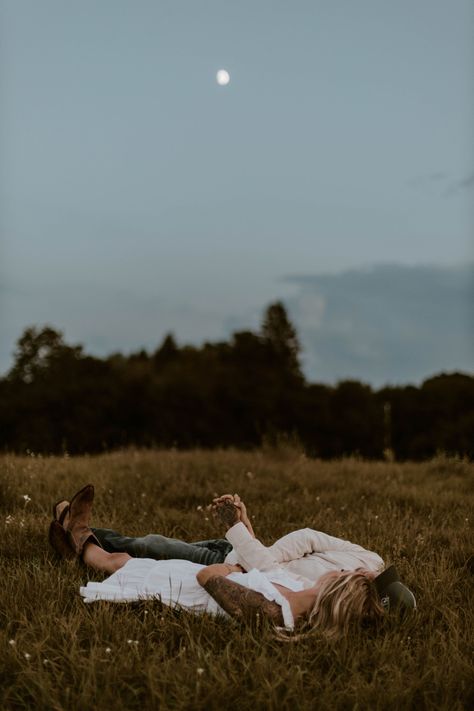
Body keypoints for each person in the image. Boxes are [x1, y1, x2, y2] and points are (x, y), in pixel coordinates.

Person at [50, 485, 388, 637]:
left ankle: (75, 533)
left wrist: (233, 567)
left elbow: (211, 577)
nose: (336, 573)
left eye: (339, 577)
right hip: (224, 563)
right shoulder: (300, 587)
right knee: (134, 552)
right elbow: (268, 567)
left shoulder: (277, 613)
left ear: (334, 591)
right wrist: (241, 530)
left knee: (118, 563)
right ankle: (74, 536)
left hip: (188, 587)